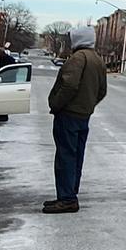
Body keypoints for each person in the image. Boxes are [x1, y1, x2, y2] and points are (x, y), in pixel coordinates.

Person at [43, 26, 109, 213]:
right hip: (83, 116)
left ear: (77, 40)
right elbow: (102, 91)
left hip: (69, 114)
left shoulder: (78, 59)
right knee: (75, 156)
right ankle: (70, 193)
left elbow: (69, 85)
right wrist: (88, 105)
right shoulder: (98, 60)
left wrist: (56, 104)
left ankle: (67, 198)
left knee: (65, 156)